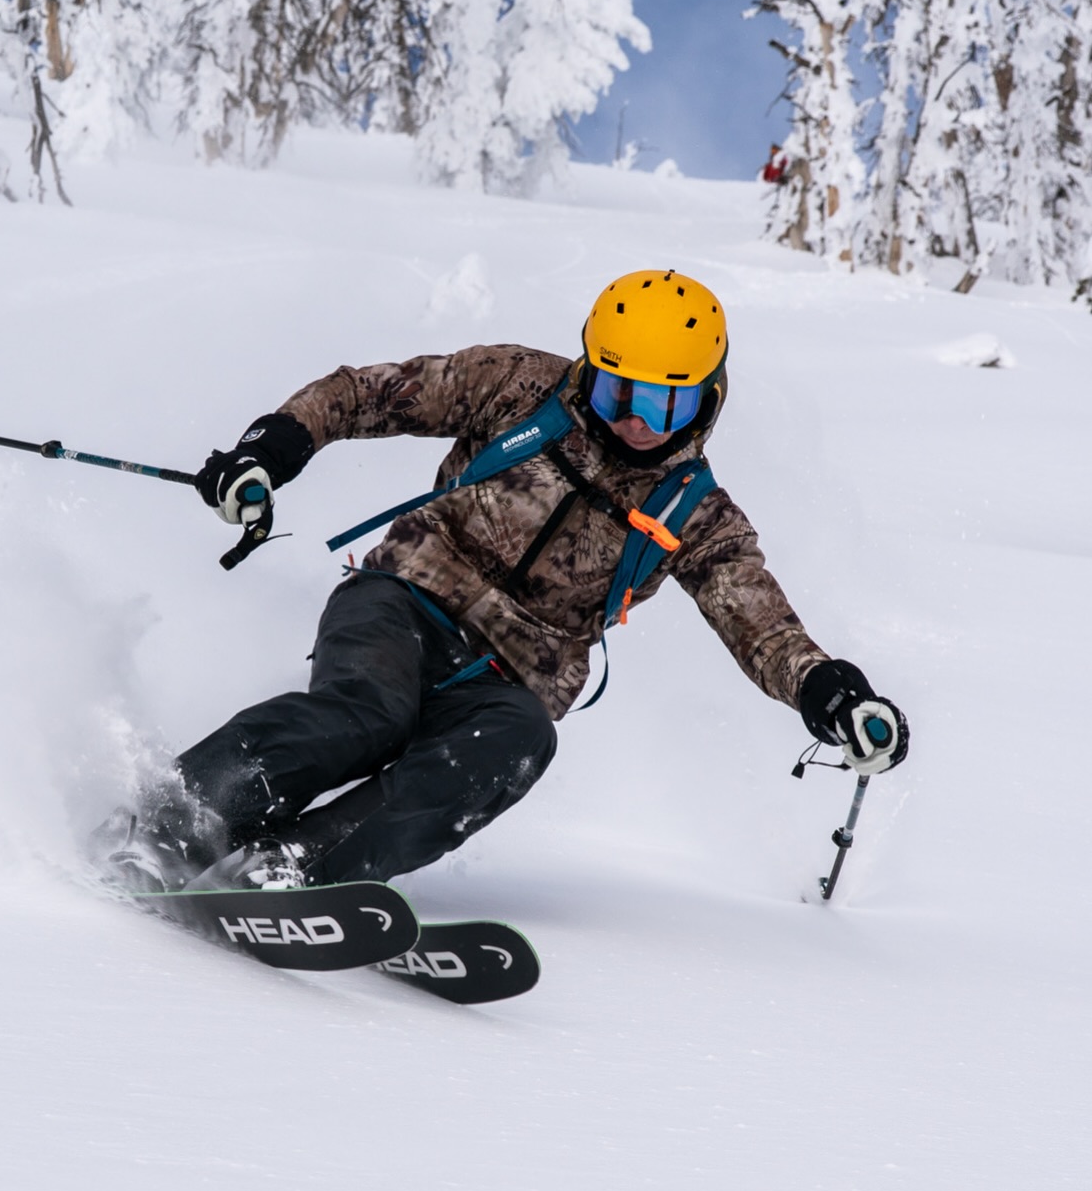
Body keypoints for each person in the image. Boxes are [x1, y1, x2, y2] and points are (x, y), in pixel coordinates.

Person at [102, 269, 907, 891]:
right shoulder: (519, 386)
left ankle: (294, 871)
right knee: (367, 714)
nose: (632, 419)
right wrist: (272, 448)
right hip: (404, 597)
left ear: (707, 403)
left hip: (513, 677)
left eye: (663, 406)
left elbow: (762, 626)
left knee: (518, 744)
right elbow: (365, 396)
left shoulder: (694, 511)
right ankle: (178, 820)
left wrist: (830, 694)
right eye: (616, 389)